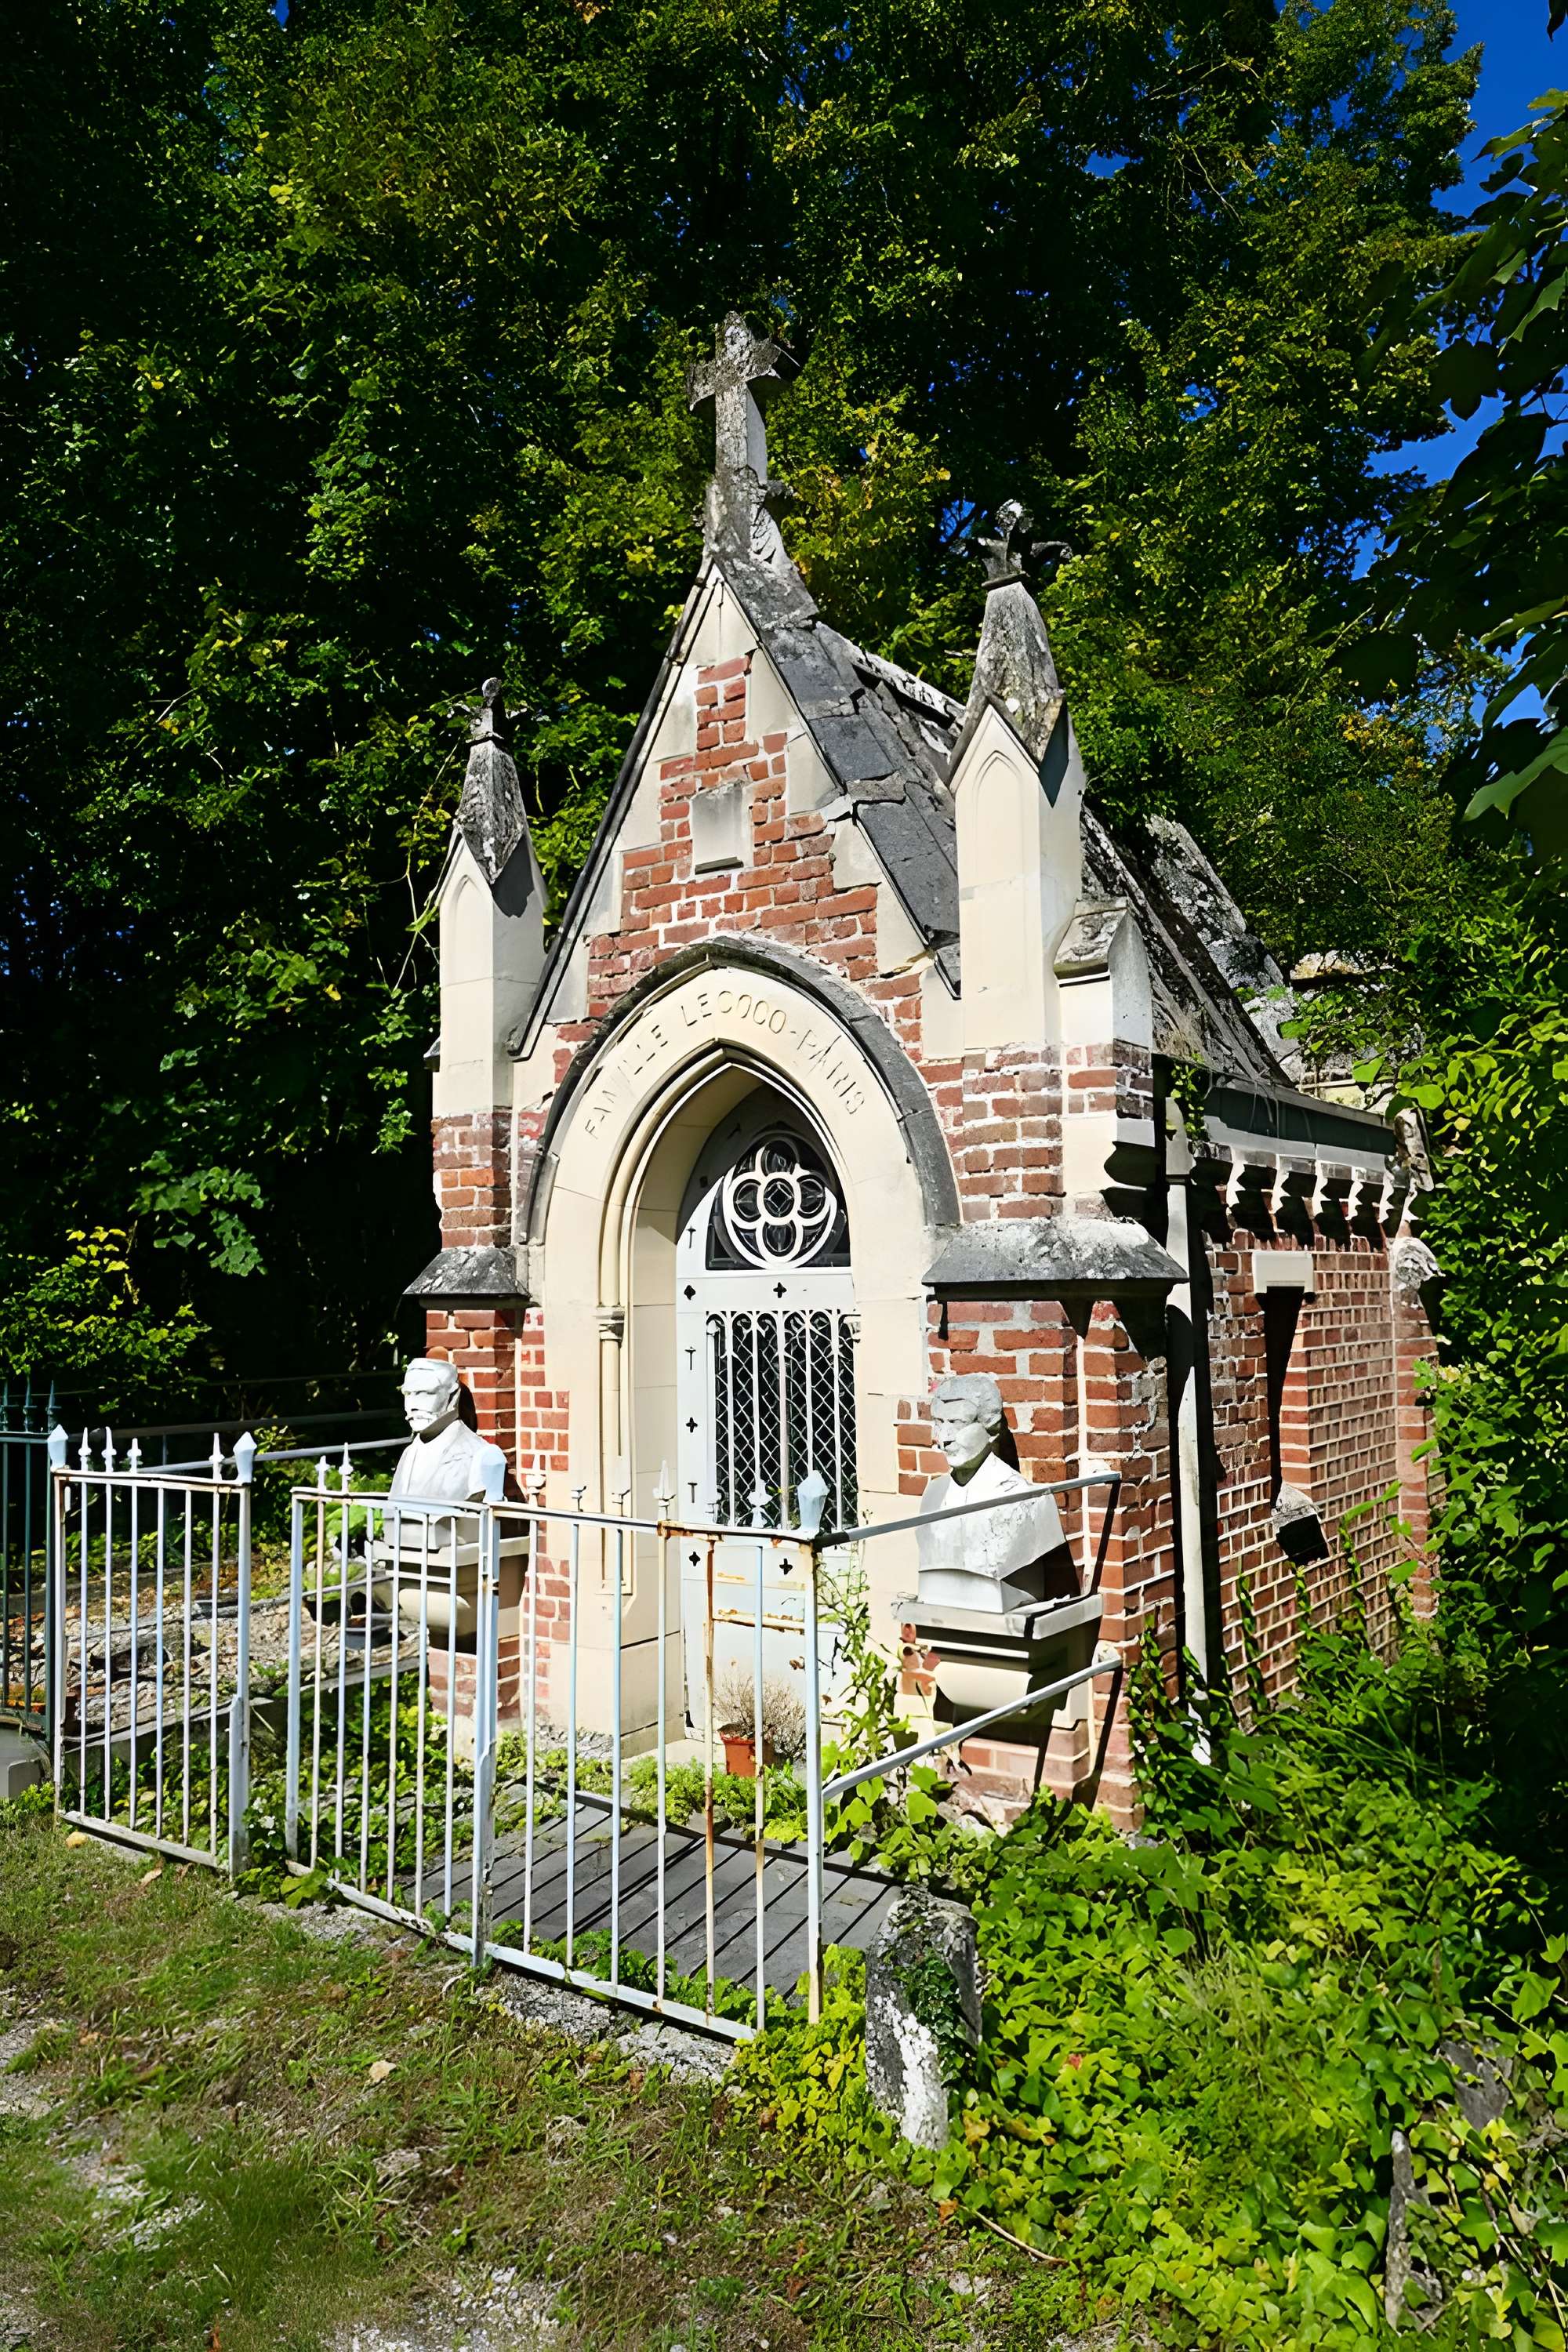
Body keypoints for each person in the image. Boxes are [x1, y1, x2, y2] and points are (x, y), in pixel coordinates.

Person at [916, 1373, 1065, 1612]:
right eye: (939, 1423)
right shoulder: (933, 1494)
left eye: (957, 1423)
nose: (943, 1438)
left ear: (991, 1428)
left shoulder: (1022, 1499)